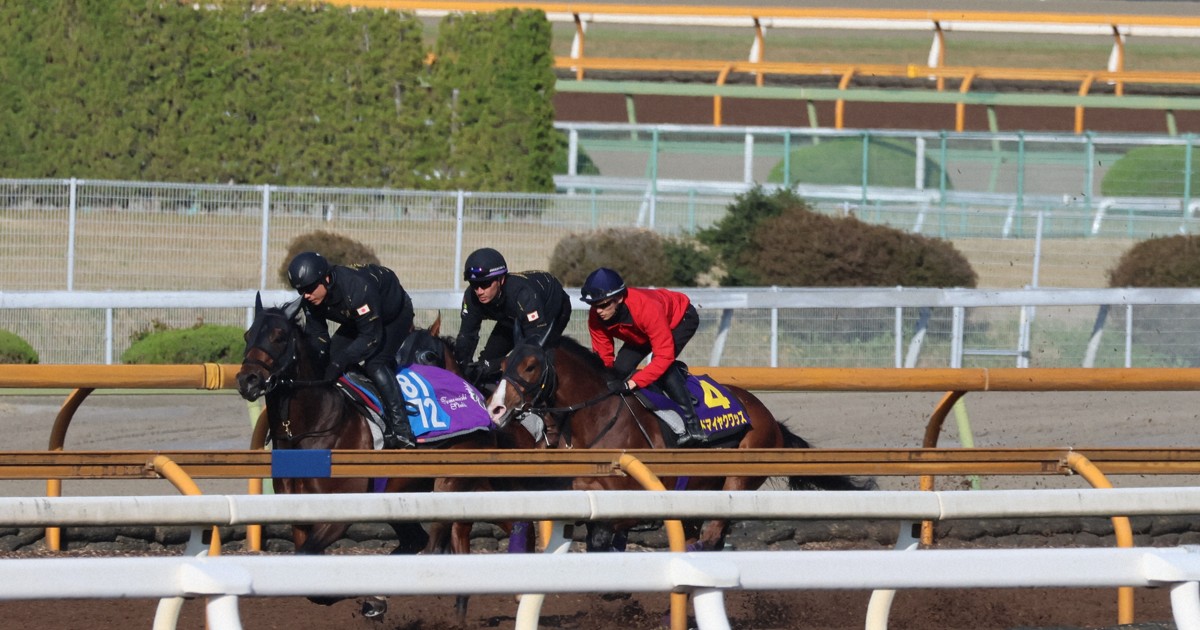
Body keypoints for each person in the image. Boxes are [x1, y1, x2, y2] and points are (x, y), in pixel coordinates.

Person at [286, 251, 417, 449]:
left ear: (326, 279)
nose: (306, 295)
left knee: (375, 363)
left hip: (393, 315)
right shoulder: (311, 298)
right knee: (329, 361)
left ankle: (402, 430)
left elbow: (371, 337)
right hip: (359, 318)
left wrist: (340, 362)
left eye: (310, 288)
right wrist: (322, 360)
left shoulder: (357, 288)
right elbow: (318, 338)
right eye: (300, 291)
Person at [580, 267, 707, 446]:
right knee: (619, 371)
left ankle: (693, 426)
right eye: (593, 305)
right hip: (641, 333)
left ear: (620, 298)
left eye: (603, 305)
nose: (598, 311)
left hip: (679, 319)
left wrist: (632, 383)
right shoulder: (596, 316)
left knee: (664, 369)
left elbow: (663, 356)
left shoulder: (646, 307)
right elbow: (604, 356)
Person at [454, 247, 572, 385]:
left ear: (501, 280)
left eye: (485, 284)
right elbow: (466, 336)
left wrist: (497, 364)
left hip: (549, 308)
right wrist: (462, 371)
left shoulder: (523, 295)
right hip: (512, 316)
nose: (479, 291)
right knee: (484, 363)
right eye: (474, 285)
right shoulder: (471, 296)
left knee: (532, 364)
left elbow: (533, 348)